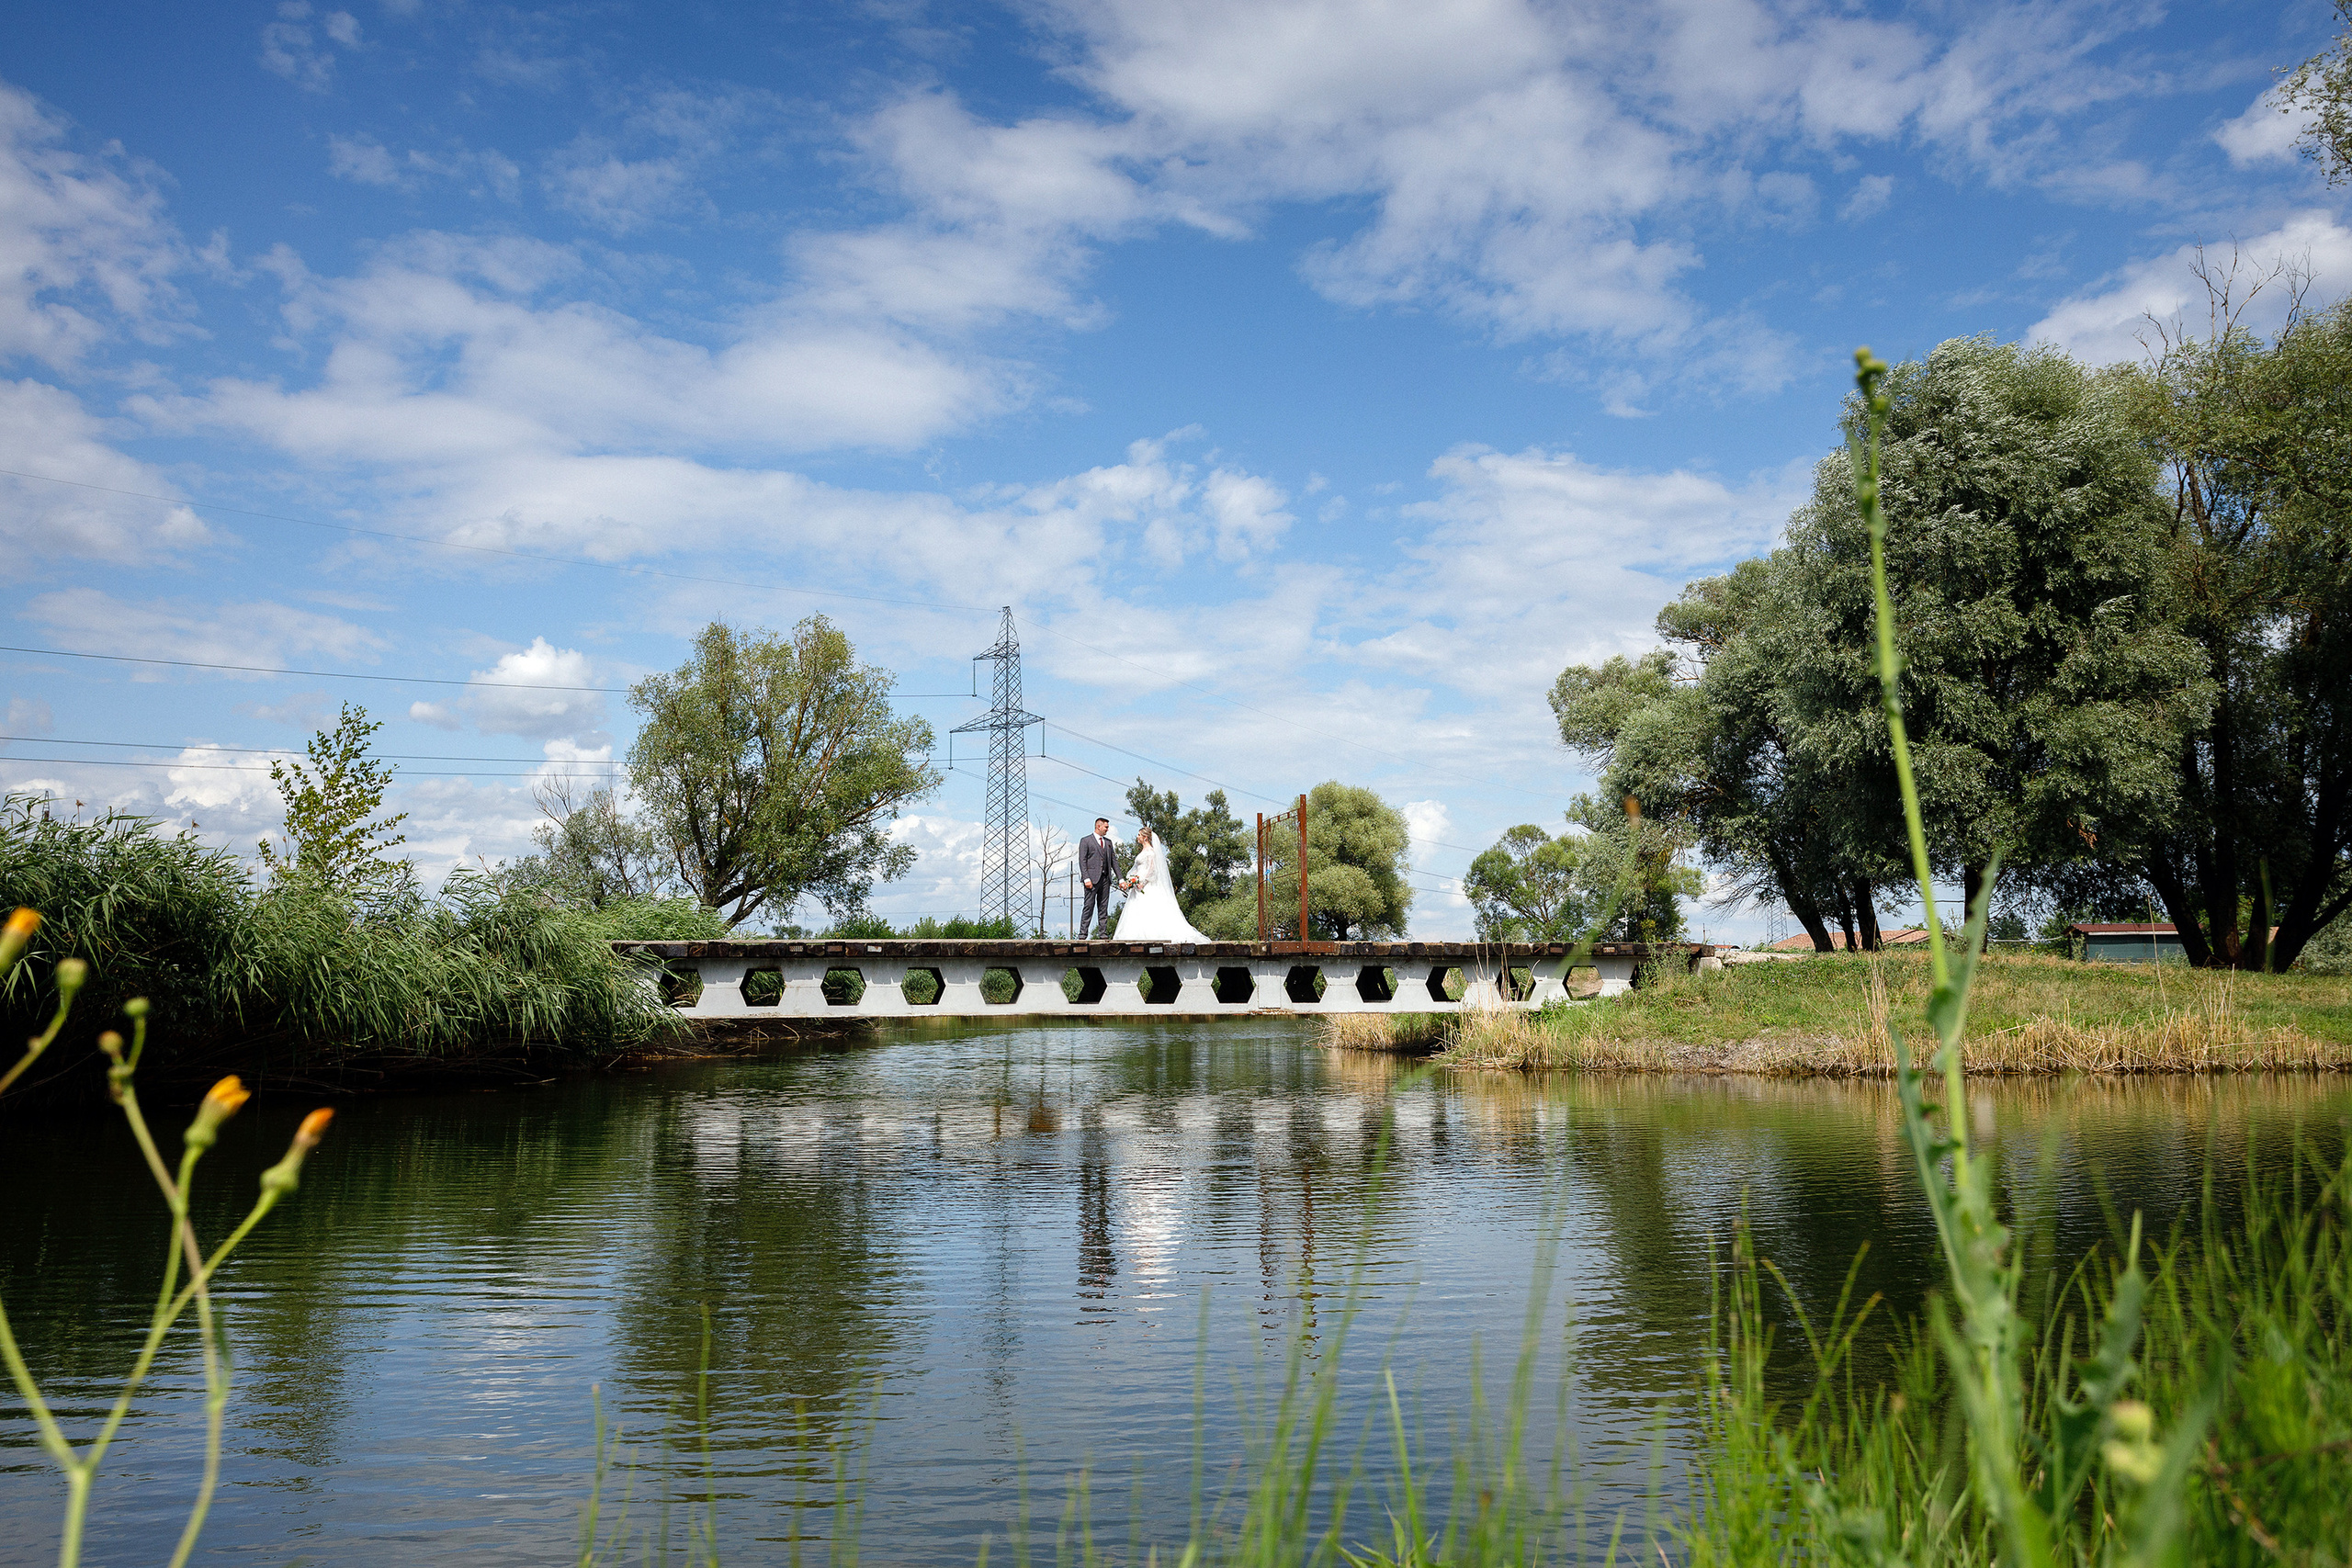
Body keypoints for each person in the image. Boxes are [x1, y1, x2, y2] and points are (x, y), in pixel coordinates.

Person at [1114, 826, 1209, 942]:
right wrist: (1131, 881)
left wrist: (1142, 882)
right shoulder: (1143, 851)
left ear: (1145, 838)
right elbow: (1138, 868)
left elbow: (1152, 870)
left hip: (1146, 885)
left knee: (1149, 910)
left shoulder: (1151, 852)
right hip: (1138, 884)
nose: (1137, 837)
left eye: (1139, 835)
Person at [1077, 816, 1120, 939]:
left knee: (1103, 907)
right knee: (1088, 906)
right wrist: (1086, 878)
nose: (1107, 829)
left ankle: (1103, 933)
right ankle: (1083, 934)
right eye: (1106, 827)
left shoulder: (1108, 842)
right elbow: (1082, 860)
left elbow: (1114, 862)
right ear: (1098, 826)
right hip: (1091, 880)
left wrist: (1120, 878)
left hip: (1105, 879)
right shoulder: (1086, 841)